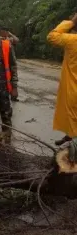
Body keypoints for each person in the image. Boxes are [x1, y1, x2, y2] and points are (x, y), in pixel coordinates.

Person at [47, 14, 77, 151]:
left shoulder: (72, 40)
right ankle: (70, 137)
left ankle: (74, 148)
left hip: (73, 88)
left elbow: (52, 36)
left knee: (72, 115)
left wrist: (70, 22)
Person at [0, 27, 20, 102]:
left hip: (10, 64)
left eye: (5, 31)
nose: (3, 33)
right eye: (2, 31)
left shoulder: (9, 40)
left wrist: (10, 34)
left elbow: (17, 40)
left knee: (13, 80)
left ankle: (13, 96)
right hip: (2, 65)